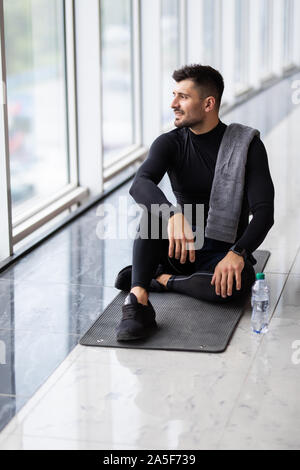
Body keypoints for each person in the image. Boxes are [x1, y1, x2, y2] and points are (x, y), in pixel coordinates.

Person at [115, 64, 274, 341]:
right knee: (154, 213)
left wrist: (238, 252)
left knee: (239, 283)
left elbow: (264, 212)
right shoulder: (170, 143)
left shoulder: (247, 145)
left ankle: (160, 280)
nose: (173, 104)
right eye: (174, 95)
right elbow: (140, 184)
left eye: (183, 97)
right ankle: (139, 297)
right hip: (179, 248)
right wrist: (173, 215)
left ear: (209, 103)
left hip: (220, 253)